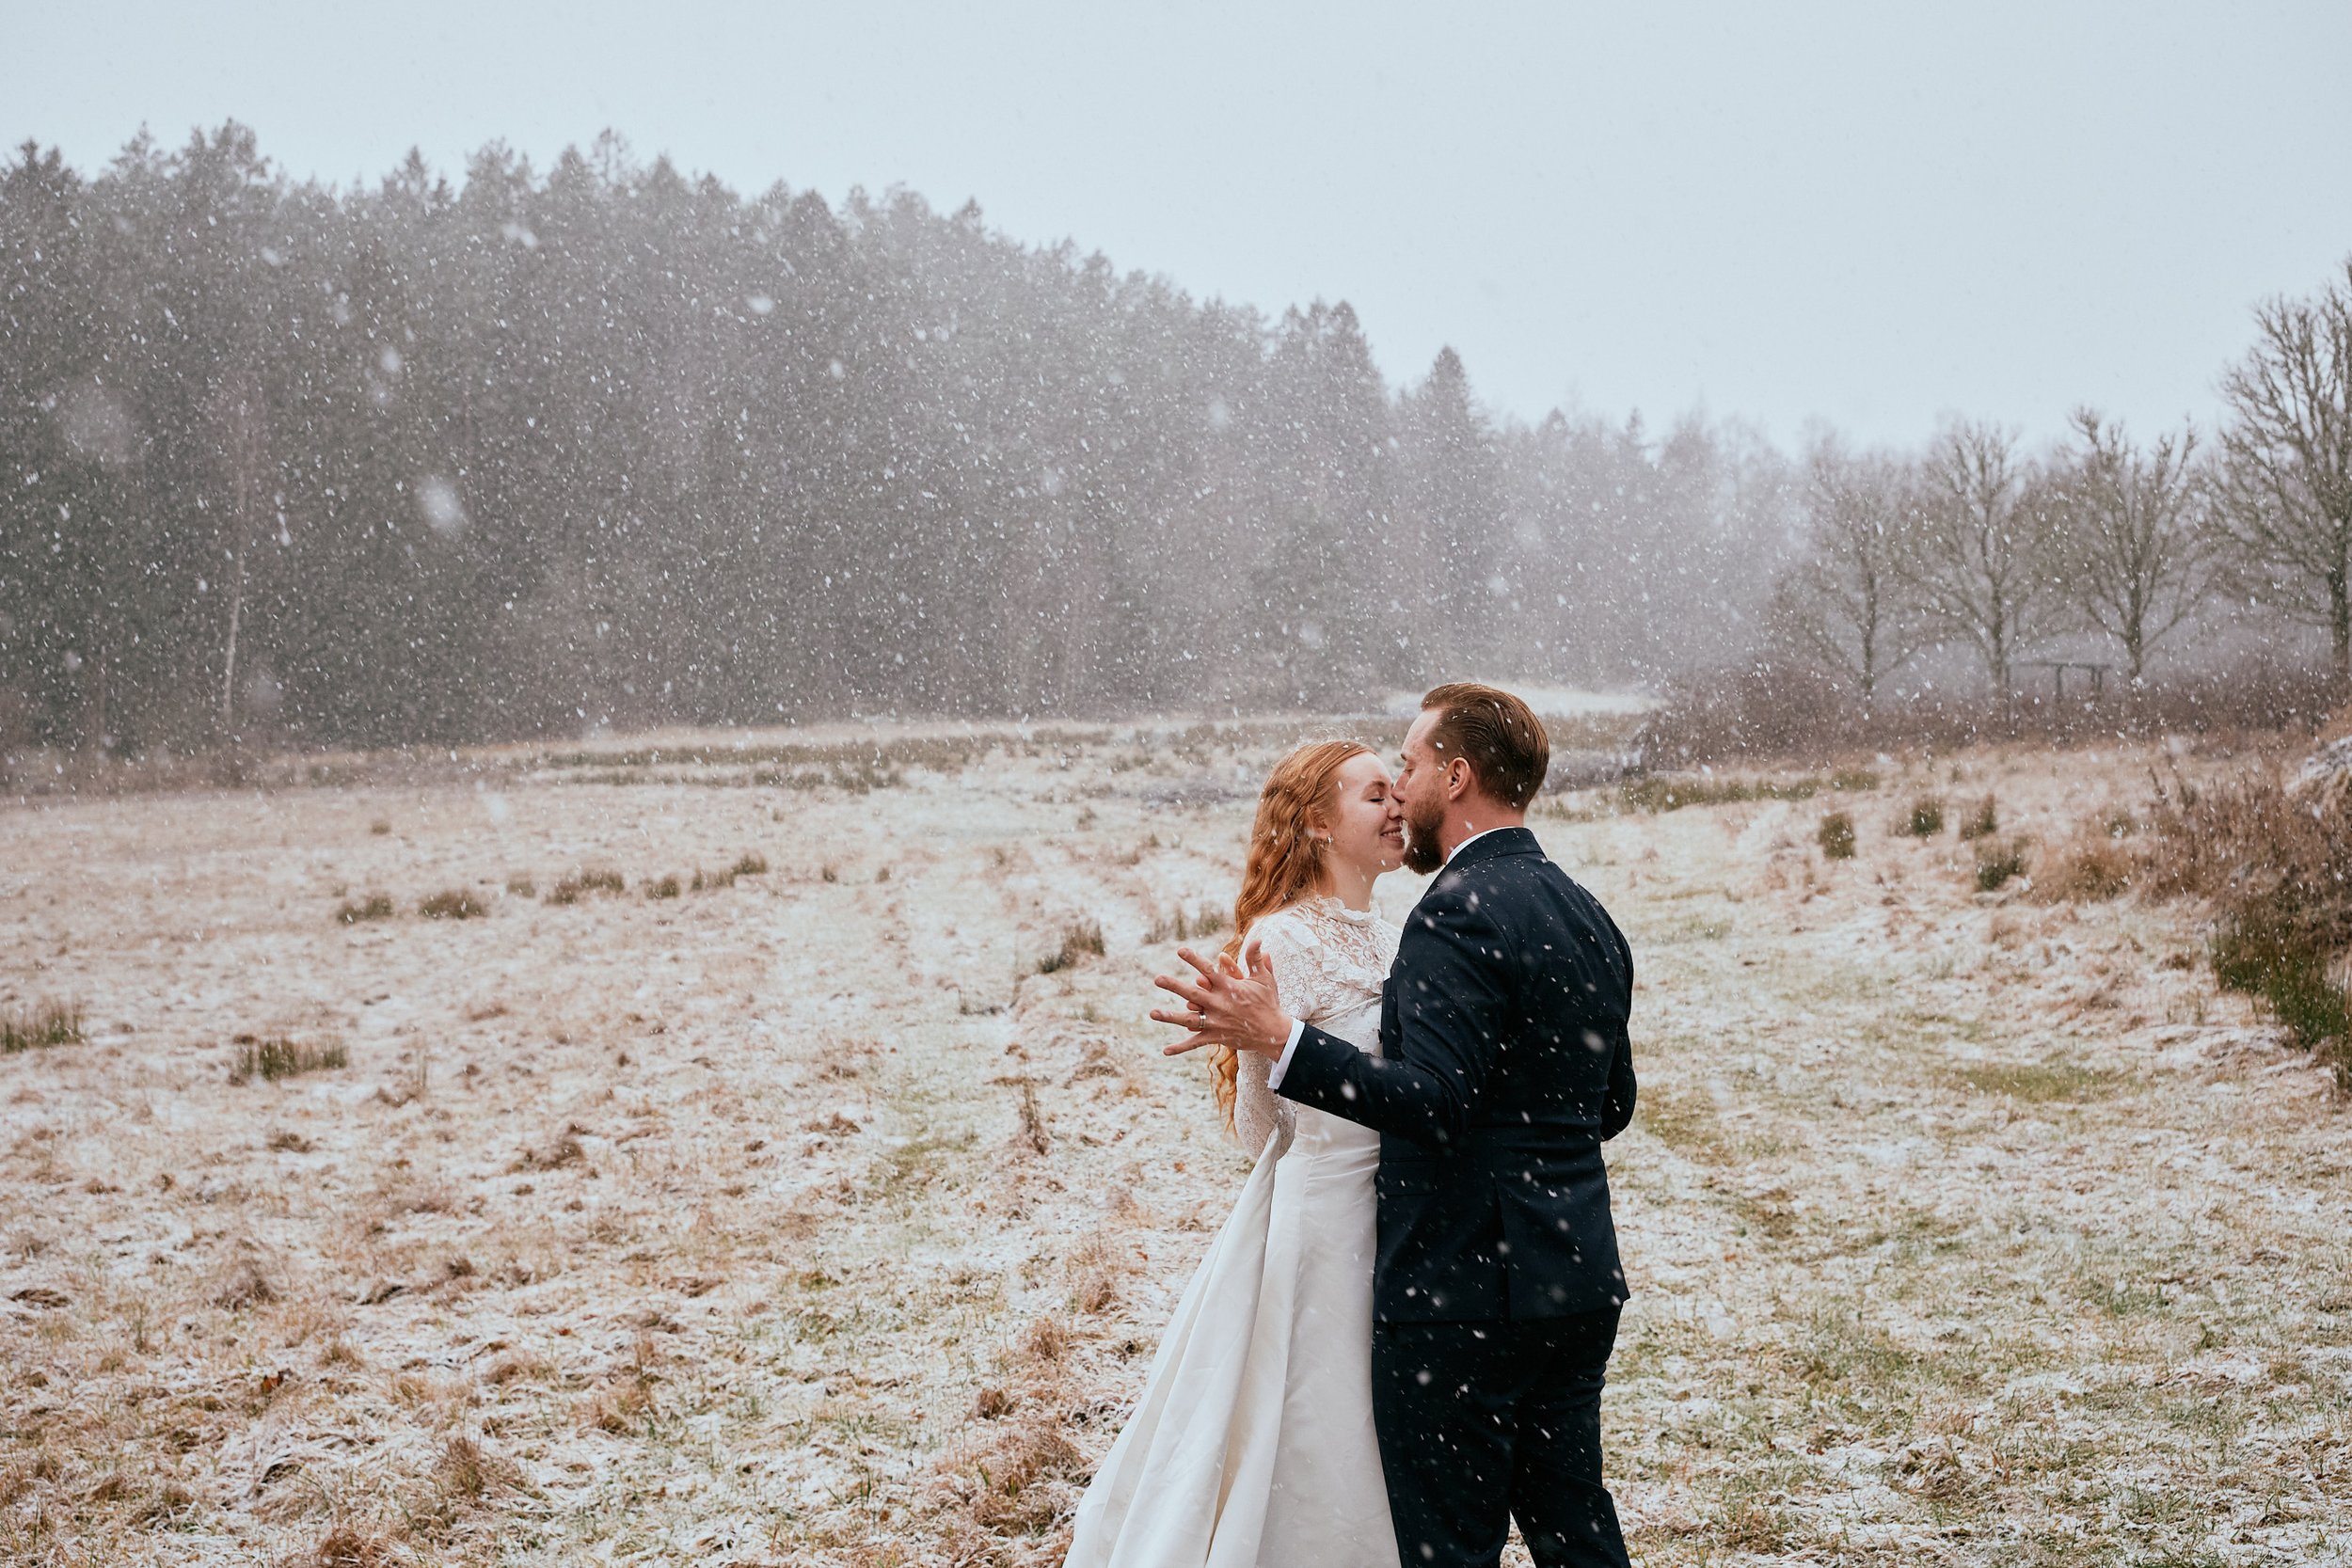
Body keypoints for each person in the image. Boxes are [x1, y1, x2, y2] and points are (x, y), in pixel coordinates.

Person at [1153, 683, 1639, 1568]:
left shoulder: (1451, 913)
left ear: (1455, 776)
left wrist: (1282, 1040)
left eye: (1406, 768)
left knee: (1451, 1542)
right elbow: (1612, 1103)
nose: (1399, 789)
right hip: (1572, 1272)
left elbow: (1441, 1100)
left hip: (1467, 1289)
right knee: (1574, 1523)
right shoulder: (1584, 911)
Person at [1065, 739, 1407, 1566]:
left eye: (1398, 790)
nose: (1397, 805)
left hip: (1404, 1211)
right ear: (1320, 826)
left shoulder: (1402, 931)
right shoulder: (1280, 941)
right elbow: (1264, 1131)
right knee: (1318, 1417)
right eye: (1373, 797)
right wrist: (1264, 1059)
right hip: (1323, 1219)